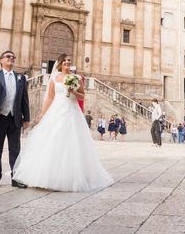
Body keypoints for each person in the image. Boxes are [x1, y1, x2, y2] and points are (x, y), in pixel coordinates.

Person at [12, 53, 113, 191]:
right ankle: (47, 175)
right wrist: (42, 113)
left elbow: (82, 95)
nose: (67, 62)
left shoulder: (77, 78)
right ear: (59, 64)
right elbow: (49, 98)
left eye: (69, 61)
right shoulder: (54, 78)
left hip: (72, 111)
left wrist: (73, 92)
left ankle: (69, 177)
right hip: (56, 111)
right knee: (51, 141)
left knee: (72, 143)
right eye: (64, 61)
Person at [0, 50, 30, 189]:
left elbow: (24, 99)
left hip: (14, 118)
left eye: (13, 57)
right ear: (1, 60)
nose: (11, 58)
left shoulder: (21, 77)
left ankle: (16, 178)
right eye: (8, 57)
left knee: (15, 150)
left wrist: (26, 118)